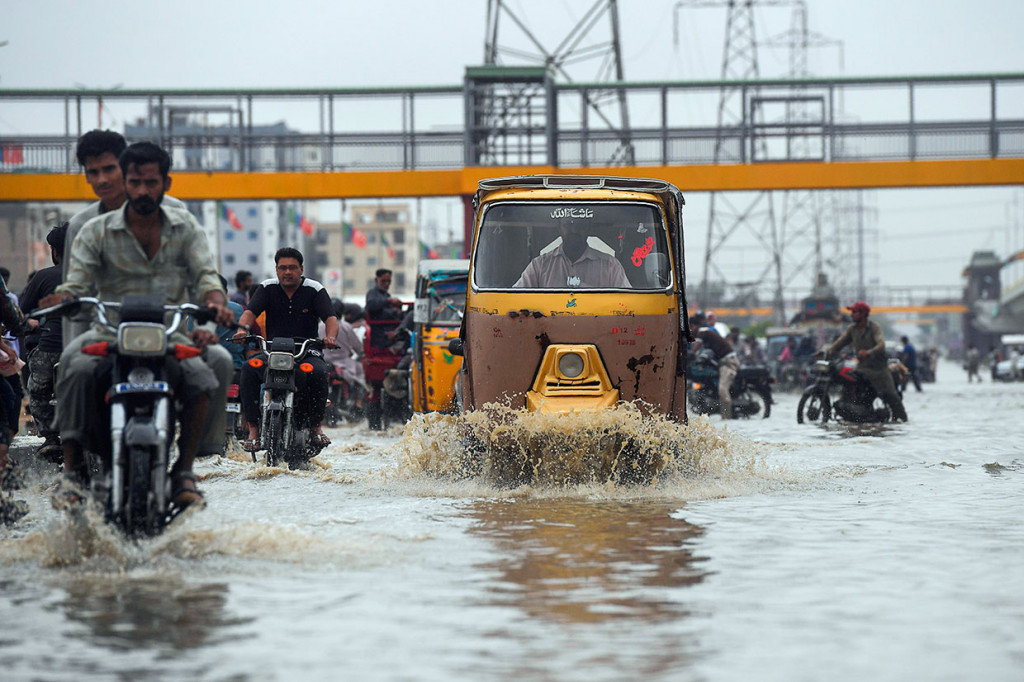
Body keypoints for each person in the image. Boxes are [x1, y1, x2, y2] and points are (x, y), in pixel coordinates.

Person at [46, 141, 235, 507]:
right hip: (109, 332)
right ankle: (70, 472)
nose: (142, 191)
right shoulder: (93, 230)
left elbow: (207, 278)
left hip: (171, 332)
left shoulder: (185, 226)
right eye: (135, 182)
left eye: (151, 182)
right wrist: (67, 296)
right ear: (126, 182)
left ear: (166, 182)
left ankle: (185, 468)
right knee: (71, 363)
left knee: (219, 363)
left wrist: (215, 304)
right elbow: (78, 281)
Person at [63, 130, 188, 345]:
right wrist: (72, 352)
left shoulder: (174, 212)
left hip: (167, 335)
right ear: (86, 176)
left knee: (211, 368)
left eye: (109, 169)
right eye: (94, 172)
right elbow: (75, 304)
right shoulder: (80, 226)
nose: (102, 179)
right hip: (105, 338)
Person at [235, 248, 338, 451]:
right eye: (283, 268)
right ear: (276, 269)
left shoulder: (314, 289)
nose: (287, 272)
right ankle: (253, 429)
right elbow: (250, 312)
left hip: (307, 350)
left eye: (292, 268)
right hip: (273, 350)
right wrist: (241, 330)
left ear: (301, 269)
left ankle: (316, 427)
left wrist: (331, 337)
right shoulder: (266, 288)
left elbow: (330, 318)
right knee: (249, 369)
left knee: (319, 372)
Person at [17, 223, 68, 463]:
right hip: (93, 346)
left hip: (52, 346)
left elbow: (20, 310)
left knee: (37, 391)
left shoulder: (45, 276)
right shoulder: (99, 275)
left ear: (55, 251)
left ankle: (50, 438)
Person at [826, 301, 907, 421]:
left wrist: (869, 352)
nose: (852, 314)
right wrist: (827, 351)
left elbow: (881, 344)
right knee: (849, 383)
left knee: (891, 395)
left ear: (863, 314)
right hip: (862, 368)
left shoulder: (874, 328)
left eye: (854, 312)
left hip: (878, 370)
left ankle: (903, 418)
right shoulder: (852, 329)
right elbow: (841, 342)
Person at [513, 217, 630, 289]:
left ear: (589, 228)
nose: (574, 230)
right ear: (559, 228)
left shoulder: (611, 266)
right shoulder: (539, 266)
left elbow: (627, 304)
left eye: (580, 225)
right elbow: (515, 299)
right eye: (568, 224)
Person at [690, 311, 739, 420]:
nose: (690, 331)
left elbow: (696, 346)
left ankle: (727, 418)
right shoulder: (706, 333)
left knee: (722, 389)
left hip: (728, 362)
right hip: (722, 362)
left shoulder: (703, 331)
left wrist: (691, 354)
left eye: (690, 328)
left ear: (693, 326)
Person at [365, 268, 405, 349]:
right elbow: (371, 305)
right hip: (381, 332)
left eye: (389, 281)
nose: (386, 284)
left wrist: (397, 307)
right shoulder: (372, 293)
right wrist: (388, 301)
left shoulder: (386, 295)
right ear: (376, 280)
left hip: (390, 326)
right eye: (383, 281)